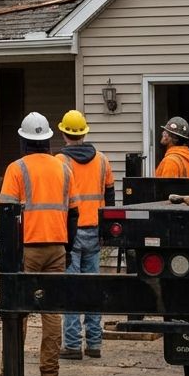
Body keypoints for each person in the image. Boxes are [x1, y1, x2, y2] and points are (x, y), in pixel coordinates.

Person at [0, 112, 77, 376]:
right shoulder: (64, 169)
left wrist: (5, 252)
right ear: (48, 140)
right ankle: (50, 374)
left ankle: (9, 372)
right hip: (57, 248)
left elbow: (6, 214)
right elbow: (73, 214)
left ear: (24, 141)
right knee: (51, 313)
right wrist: (67, 248)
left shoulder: (17, 168)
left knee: (17, 311)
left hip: (27, 249)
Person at [55, 110, 115, 361]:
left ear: (64, 133)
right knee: (92, 288)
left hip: (71, 232)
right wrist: (107, 232)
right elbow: (110, 197)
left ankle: (71, 345)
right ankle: (94, 344)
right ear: (84, 133)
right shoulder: (102, 160)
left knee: (71, 290)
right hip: (95, 231)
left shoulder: (60, 161)